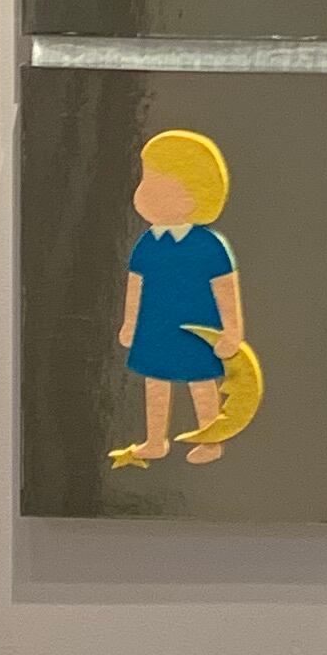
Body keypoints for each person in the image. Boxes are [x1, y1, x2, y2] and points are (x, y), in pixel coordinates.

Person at [113, 128, 243, 463]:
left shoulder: (208, 245)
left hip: (197, 327)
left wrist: (232, 331)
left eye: (156, 186)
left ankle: (211, 440)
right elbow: (136, 284)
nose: (143, 193)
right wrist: (130, 324)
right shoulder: (148, 243)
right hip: (155, 326)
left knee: (201, 380)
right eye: (145, 183)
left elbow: (225, 286)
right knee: (155, 380)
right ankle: (155, 441)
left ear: (192, 195)